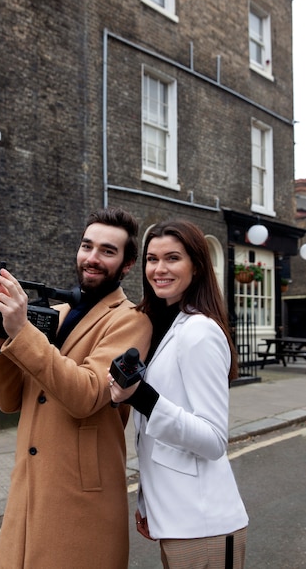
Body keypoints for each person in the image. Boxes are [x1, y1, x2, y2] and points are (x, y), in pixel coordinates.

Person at [0, 207, 152, 569]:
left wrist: (23, 333)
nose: (92, 258)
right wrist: (2, 340)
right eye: (86, 246)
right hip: (29, 491)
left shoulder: (132, 319)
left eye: (107, 251)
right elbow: (9, 401)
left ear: (127, 264)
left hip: (81, 500)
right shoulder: (56, 313)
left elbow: (88, 394)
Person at [108, 220, 249, 569]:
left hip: (204, 526)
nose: (159, 269)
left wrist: (141, 397)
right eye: (152, 259)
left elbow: (214, 439)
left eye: (172, 258)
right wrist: (147, 502)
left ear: (196, 265)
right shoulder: (163, 325)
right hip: (176, 520)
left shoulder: (199, 331)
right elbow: (154, 442)